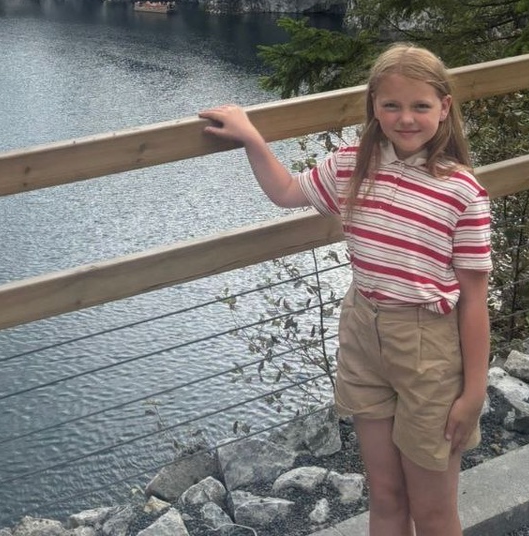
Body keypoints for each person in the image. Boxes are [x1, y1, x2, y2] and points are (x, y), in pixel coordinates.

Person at [199, 43, 491, 536]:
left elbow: (475, 300)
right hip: (362, 333)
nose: (405, 118)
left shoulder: (462, 192)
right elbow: (286, 191)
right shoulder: (352, 165)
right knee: (385, 494)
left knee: (433, 511)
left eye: (420, 106)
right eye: (391, 104)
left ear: (444, 107)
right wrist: (251, 137)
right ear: (374, 105)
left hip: (429, 350)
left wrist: (474, 392)